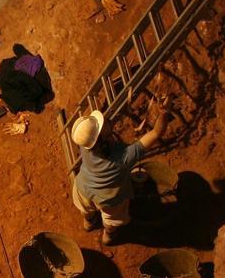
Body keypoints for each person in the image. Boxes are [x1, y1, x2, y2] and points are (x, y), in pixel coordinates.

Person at [71, 99, 168, 245]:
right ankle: (108, 237)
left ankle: (89, 222)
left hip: (82, 188)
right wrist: (164, 113)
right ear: (103, 137)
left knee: (86, 208)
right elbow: (155, 133)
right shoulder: (123, 157)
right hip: (108, 199)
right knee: (112, 220)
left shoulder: (85, 147)